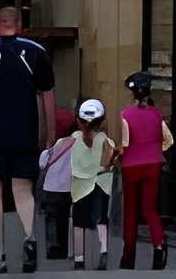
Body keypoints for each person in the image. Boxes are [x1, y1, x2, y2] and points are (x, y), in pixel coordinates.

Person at [0, 7, 56, 275]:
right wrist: (49, 133)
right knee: (22, 190)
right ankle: (29, 239)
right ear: (20, 25)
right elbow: (47, 96)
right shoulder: (36, 53)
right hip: (25, 134)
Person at [116, 75, 171, 271]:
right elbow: (168, 140)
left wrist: (117, 157)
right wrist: (155, 150)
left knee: (131, 211)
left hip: (131, 165)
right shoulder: (157, 114)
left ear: (132, 93)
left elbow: (124, 143)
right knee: (150, 209)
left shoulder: (125, 115)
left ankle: (128, 255)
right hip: (153, 164)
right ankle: (159, 247)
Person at [67, 101, 115, 272]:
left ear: (79, 120)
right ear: (101, 121)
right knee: (102, 218)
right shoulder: (105, 141)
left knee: (78, 221)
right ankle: (103, 251)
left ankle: (79, 259)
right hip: (101, 184)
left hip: (79, 187)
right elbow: (110, 163)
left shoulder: (73, 138)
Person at [38, 109, 76, 262]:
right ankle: (64, 247)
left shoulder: (58, 144)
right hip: (68, 188)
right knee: (64, 219)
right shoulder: (76, 142)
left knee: (51, 219)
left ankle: (52, 247)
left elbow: (42, 163)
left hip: (51, 188)